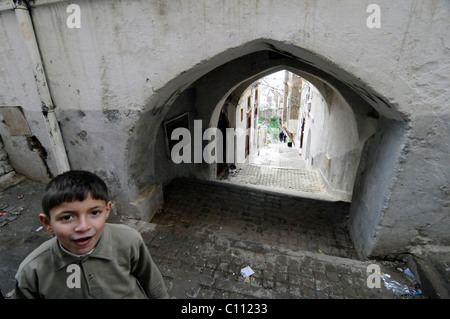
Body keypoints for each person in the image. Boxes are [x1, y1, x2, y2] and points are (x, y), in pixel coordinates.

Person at [14, 170, 169, 299]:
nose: (83, 227)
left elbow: (153, 284)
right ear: (47, 222)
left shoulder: (128, 240)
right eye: (67, 217)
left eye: (94, 212)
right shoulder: (31, 272)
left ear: (107, 211)